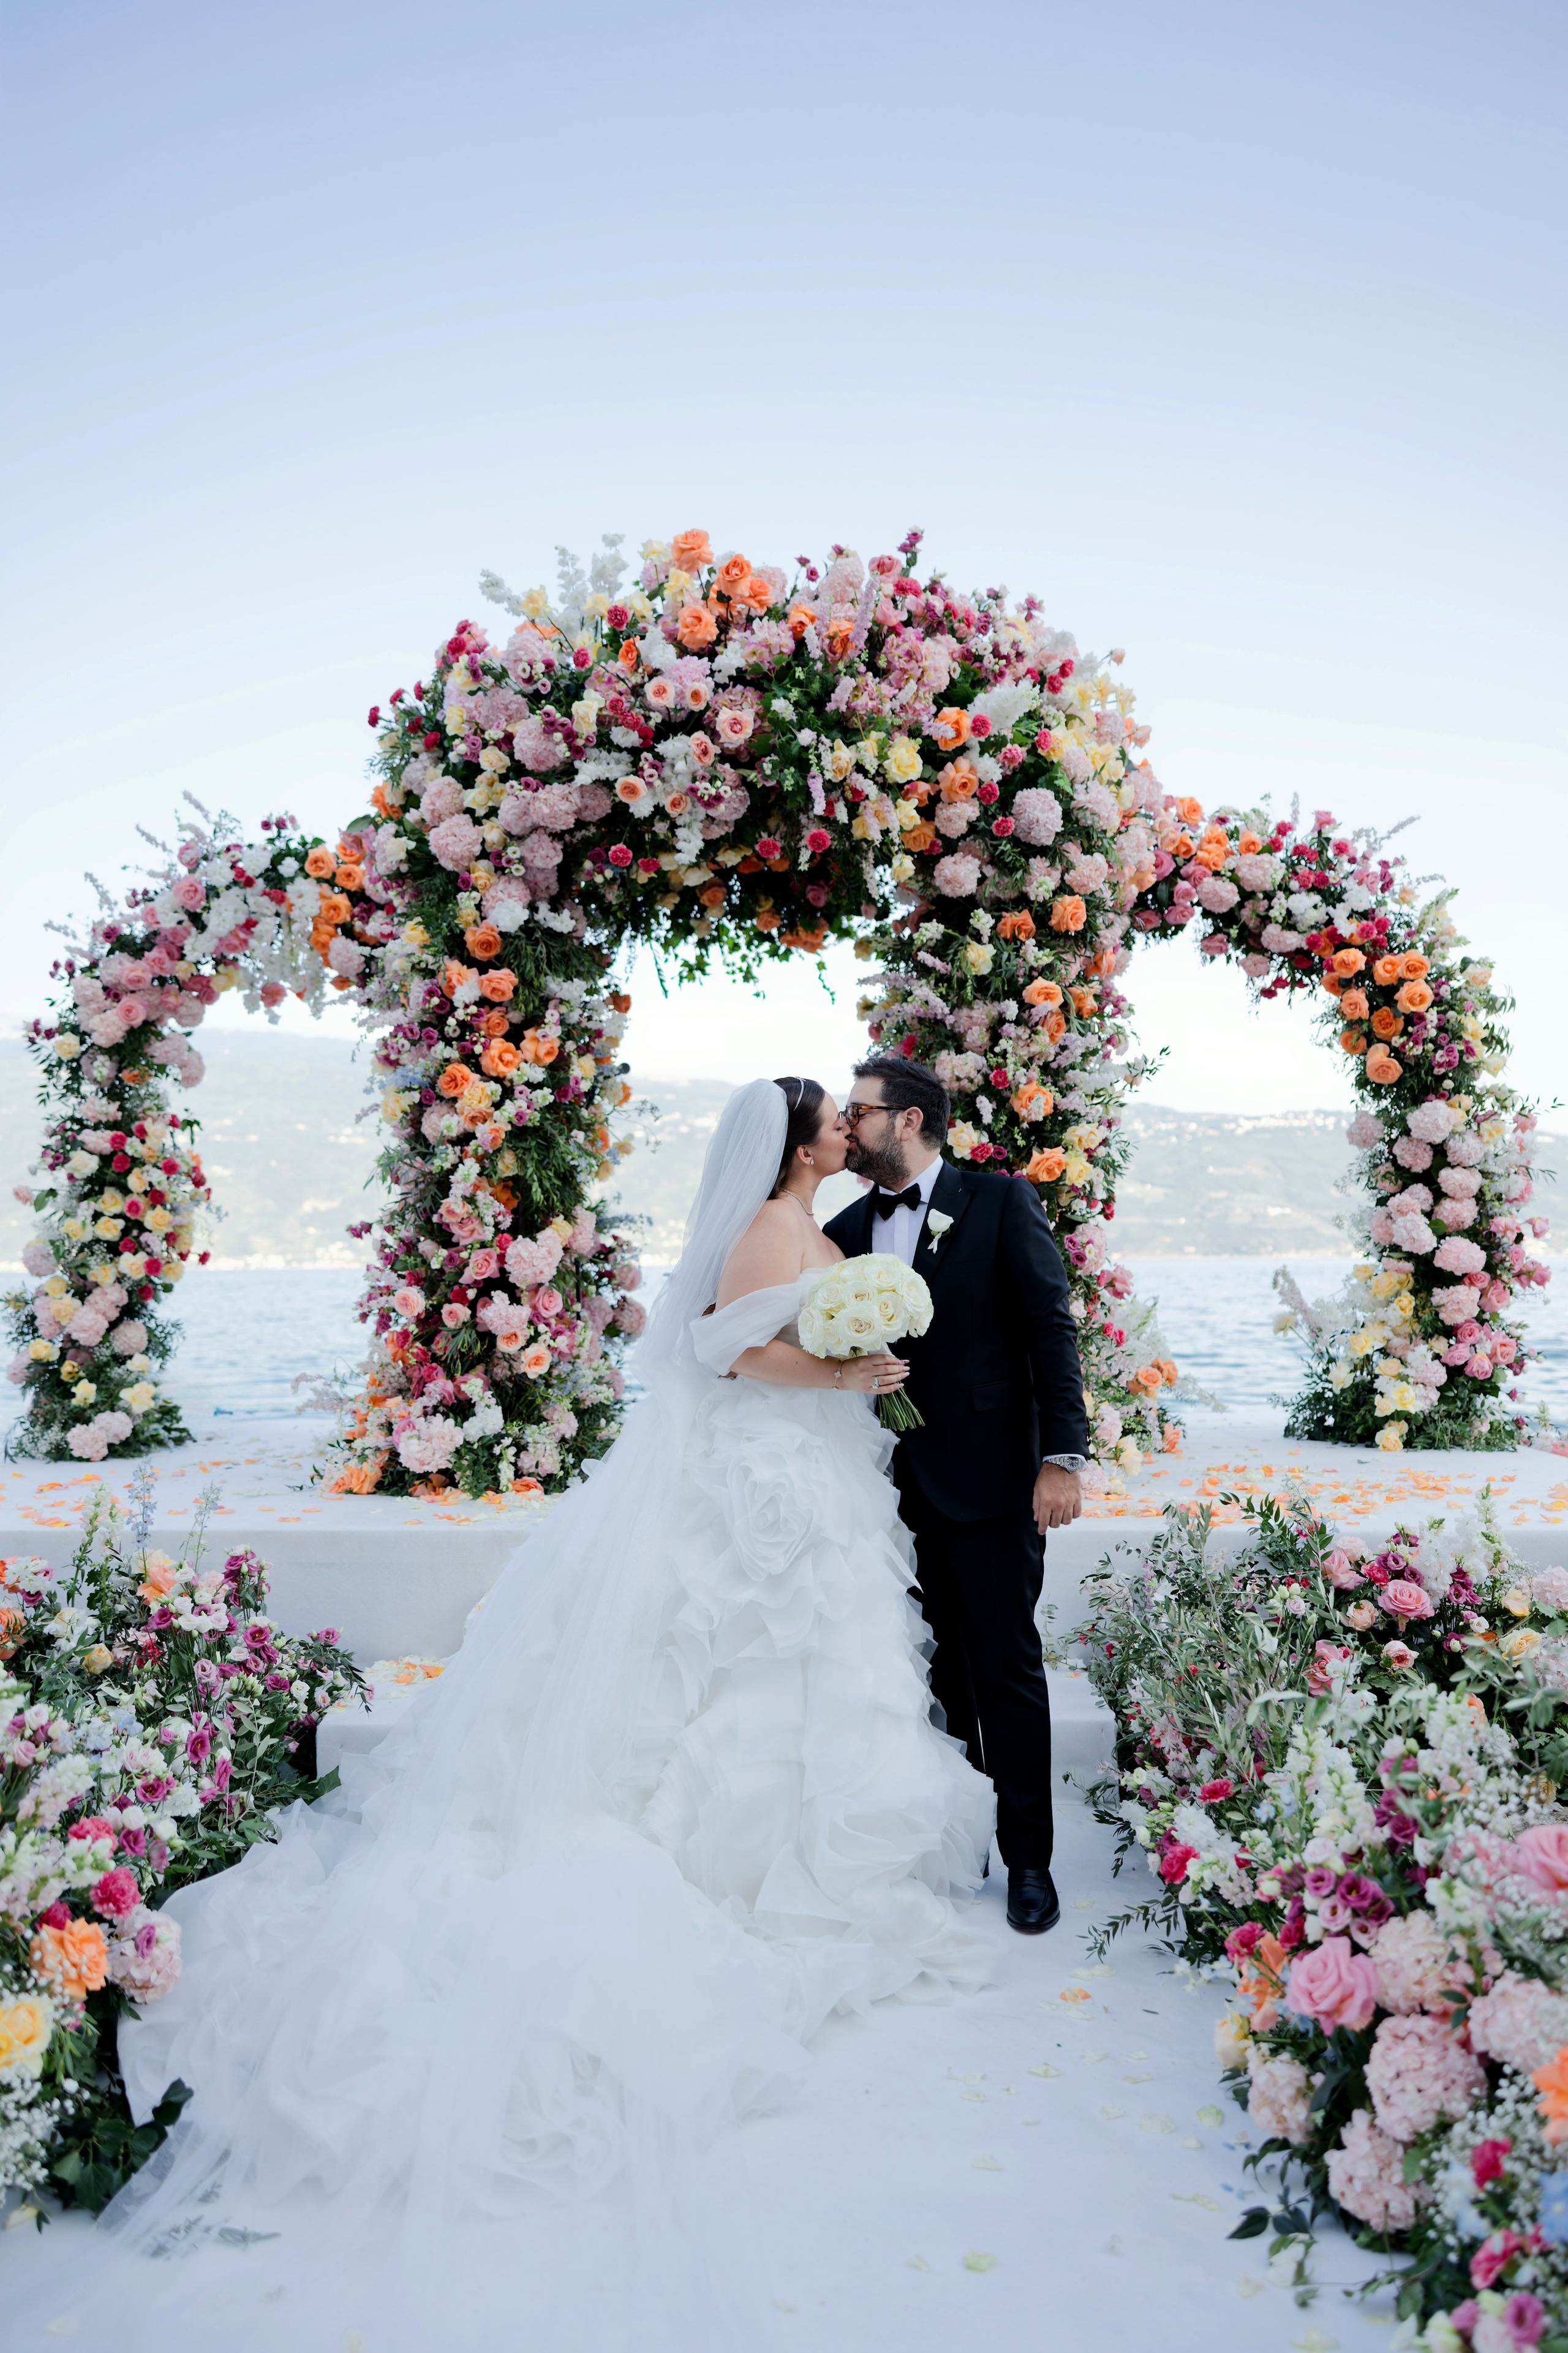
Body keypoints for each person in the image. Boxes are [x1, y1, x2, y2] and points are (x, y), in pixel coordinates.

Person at [23, 1078, 993, 2351]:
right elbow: (721, 1347)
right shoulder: (769, 1223)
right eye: (831, 1116)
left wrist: (854, 1370)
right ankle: (725, 1867)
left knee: (803, 1670)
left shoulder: (819, 1220)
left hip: (809, 1478)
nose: (845, 1127)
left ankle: (792, 1857)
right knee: (726, 1664)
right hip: (754, 1481)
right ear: (799, 1141)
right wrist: (840, 1368)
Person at [824, 1056, 1090, 1937]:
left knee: (1004, 1669)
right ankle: (958, 1835)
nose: (847, 1125)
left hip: (993, 1478)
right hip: (887, 1493)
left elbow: (1051, 1329)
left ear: (908, 1120)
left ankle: (1029, 1861)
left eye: (859, 1110)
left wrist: (1061, 1458)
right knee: (930, 1671)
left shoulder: (1001, 1202)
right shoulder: (846, 1228)